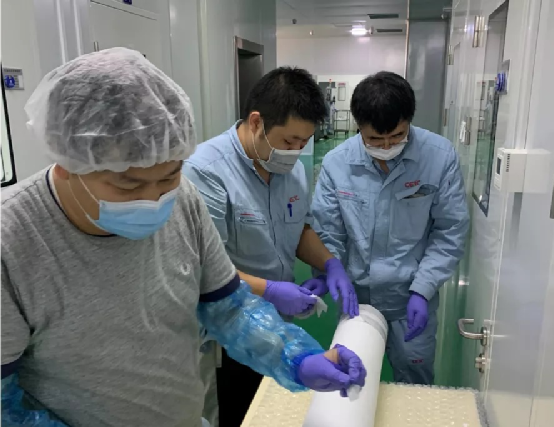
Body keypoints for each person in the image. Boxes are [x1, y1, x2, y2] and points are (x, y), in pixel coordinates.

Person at [0, 48, 367, 427]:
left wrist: (295, 357)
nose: (154, 199)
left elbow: (229, 308)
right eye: (129, 185)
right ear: (67, 164)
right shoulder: (13, 242)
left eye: (168, 176)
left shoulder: (184, 200)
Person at [183, 67, 359, 427]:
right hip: (227, 330)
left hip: (278, 326)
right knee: (238, 413)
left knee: (274, 410)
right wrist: (272, 291)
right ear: (256, 122)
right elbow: (204, 269)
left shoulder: (291, 169)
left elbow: (300, 228)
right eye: (289, 140)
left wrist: (329, 263)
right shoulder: (206, 172)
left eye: (304, 142)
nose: (295, 152)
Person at [311, 71, 470, 385]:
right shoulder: (337, 164)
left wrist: (423, 289)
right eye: (374, 139)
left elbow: (450, 230)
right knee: (350, 380)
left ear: (409, 121)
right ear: (358, 126)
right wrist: (327, 271)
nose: (386, 146)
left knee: (414, 379)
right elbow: (328, 229)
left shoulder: (439, 158)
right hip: (356, 298)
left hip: (411, 296)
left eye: (397, 136)